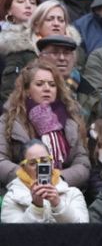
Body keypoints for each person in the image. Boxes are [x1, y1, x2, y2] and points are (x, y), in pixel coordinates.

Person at [0, 59, 87, 189]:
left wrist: (59, 179)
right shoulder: (9, 119)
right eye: (39, 84)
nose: (47, 89)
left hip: (62, 190)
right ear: (27, 89)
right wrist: (28, 178)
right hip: (22, 190)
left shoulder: (70, 120)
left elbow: (82, 162)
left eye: (52, 85)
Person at [1, 134, 85, 219]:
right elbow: (13, 232)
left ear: (51, 163)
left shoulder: (72, 194)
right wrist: (36, 208)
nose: (39, 167)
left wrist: (58, 205)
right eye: (32, 163)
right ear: (23, 167)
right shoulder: (12, 197)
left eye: (44, 161)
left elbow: (83, 229)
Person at [0, 0, 37, 104]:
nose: (28, 5)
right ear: (9, 10)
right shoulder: (3, 44)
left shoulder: (46, 38)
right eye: (21, 1)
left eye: (33, 2)